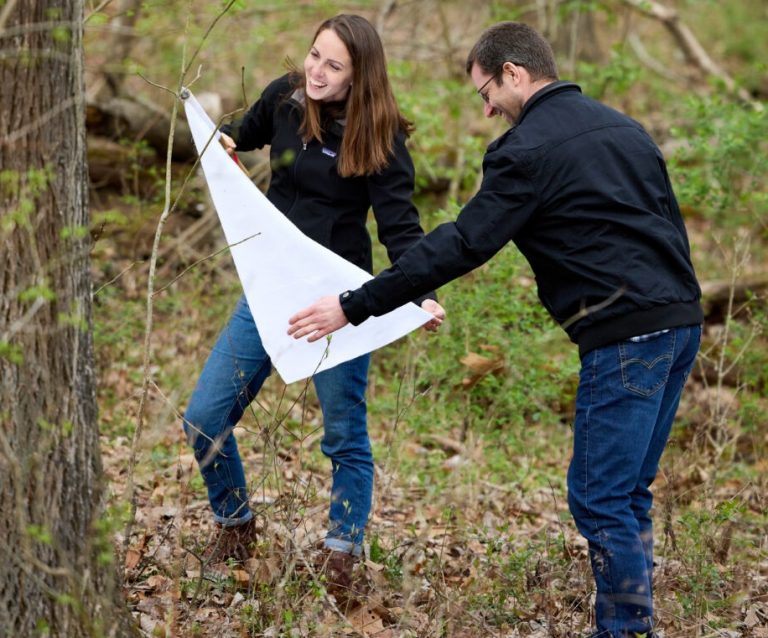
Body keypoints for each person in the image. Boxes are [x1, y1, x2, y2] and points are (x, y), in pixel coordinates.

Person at [288, 21, 702, 637]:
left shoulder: (527, 149)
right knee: (628, 491)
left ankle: (626, 630)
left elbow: (462, 243)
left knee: (599, 496)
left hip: (626, 336)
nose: (486, 110)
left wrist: (358, 304)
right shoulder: (625, 128)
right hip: (680, 324)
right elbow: (669, 224)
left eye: (486, 93)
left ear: (514, 73)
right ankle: (632, 622)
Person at [183, 14, 445, 590]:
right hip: (267, 287)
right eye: (314, 55)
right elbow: (247, 133)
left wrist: (421, 294)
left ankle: (342, 553)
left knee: (344, 434)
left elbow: (401, 228)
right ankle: (235, 522)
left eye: (334, 65)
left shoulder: (380, 134)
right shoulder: (285, 98)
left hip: (339, 302)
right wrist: (224, 140)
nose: (317, 71)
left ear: (359, 76)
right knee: (204, 418)